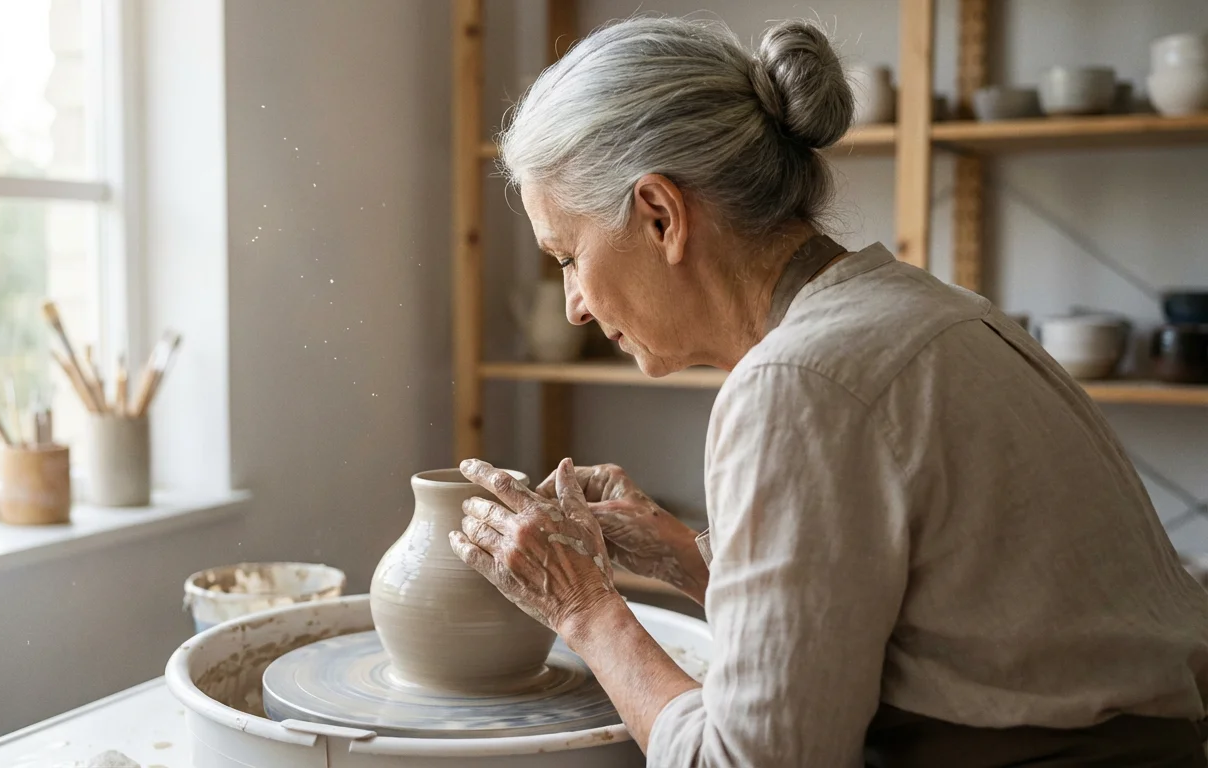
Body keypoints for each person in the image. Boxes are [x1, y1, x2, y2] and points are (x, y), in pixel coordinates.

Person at [445, 15, 1208, 768]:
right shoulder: (923, 306)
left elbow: (754, 762)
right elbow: (916, 611)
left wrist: (583, 609)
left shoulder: (797, 383)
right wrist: (686, 554)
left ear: (660, 215)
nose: (574, 301)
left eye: (568, 255)